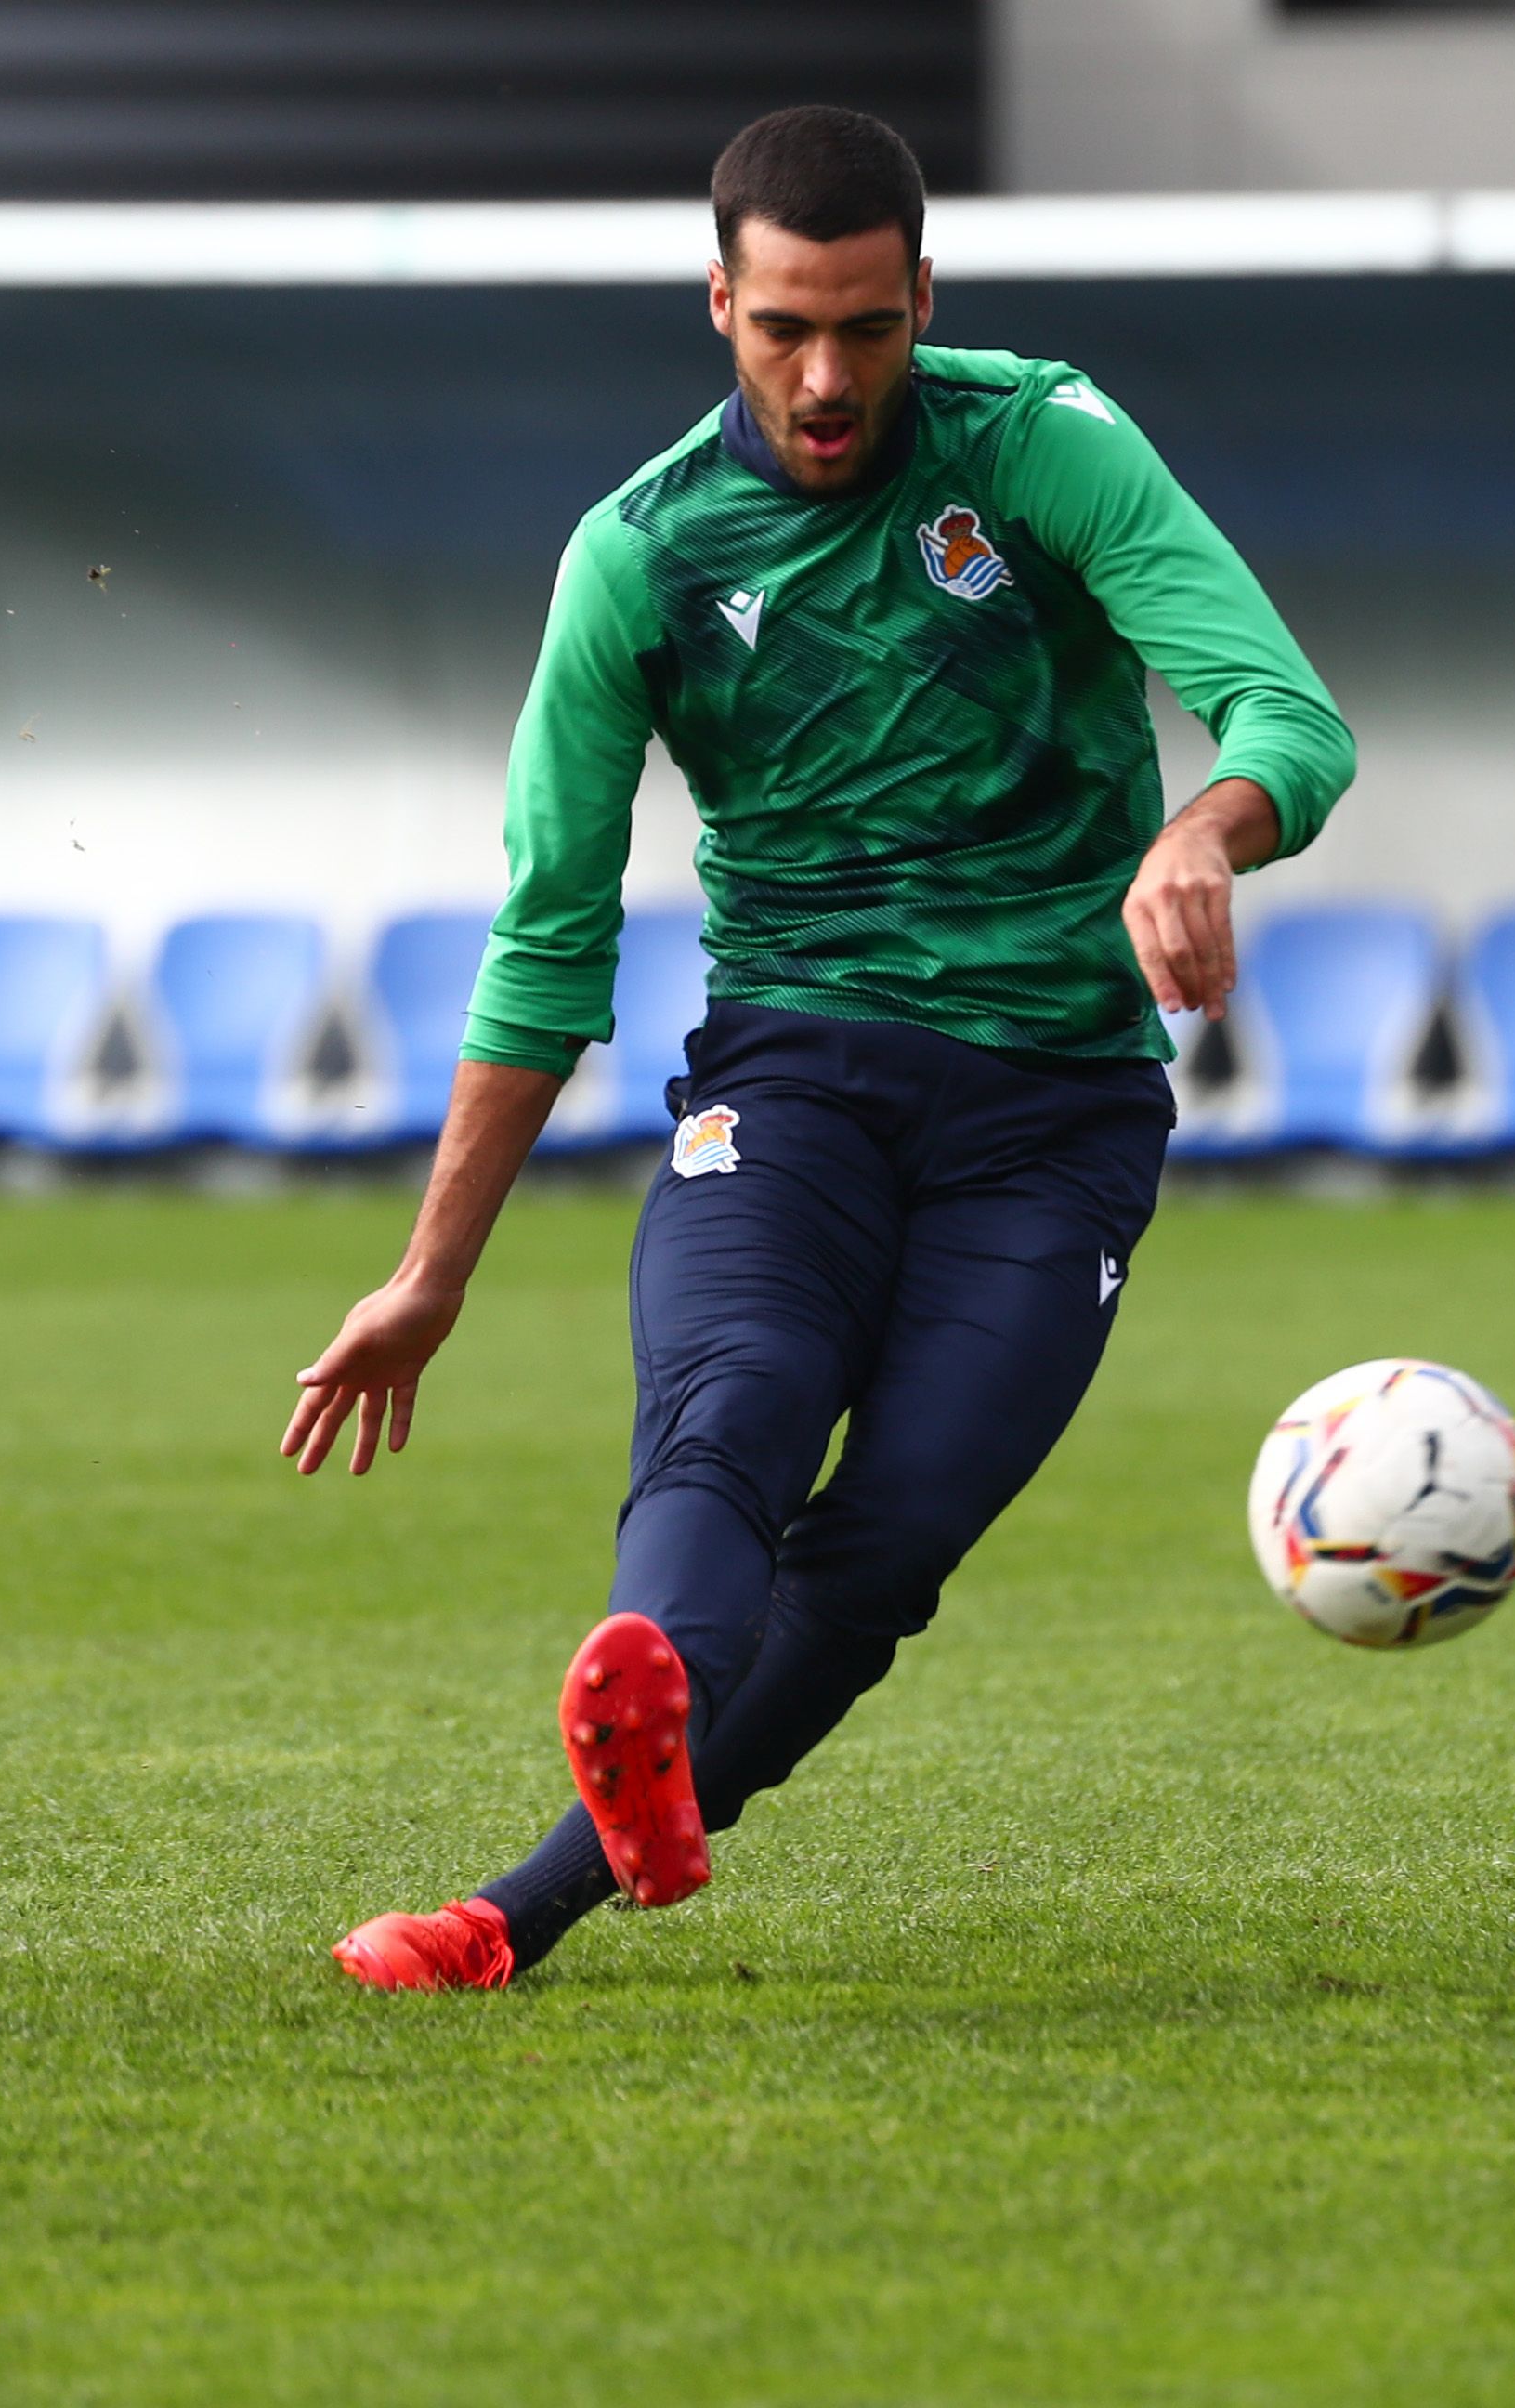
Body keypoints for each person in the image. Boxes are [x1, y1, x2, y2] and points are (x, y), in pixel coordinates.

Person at [285, 105, 1356, 1990]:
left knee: (887, 1548)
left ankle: (519, 1903)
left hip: (1055, 1116)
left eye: (864, 325)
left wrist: (1200, 831)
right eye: (783, 325)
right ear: (718, 302)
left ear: (919, 295)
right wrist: (424, 1275)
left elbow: (1282, 709)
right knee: (739, 1398)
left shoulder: (1038, 444)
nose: (826, 372)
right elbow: (547, 940)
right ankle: (605, 1765)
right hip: (790, 1078)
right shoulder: (636, 557)